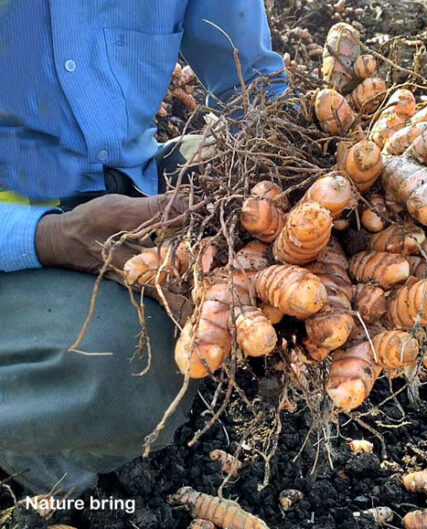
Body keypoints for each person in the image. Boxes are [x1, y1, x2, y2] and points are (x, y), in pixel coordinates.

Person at [0, 0, 285, 494]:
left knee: (229, 188)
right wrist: (50, 237)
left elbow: (257, 91)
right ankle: (30, 454)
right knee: (127, 370)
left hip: (130, 188)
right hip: (16, 221)